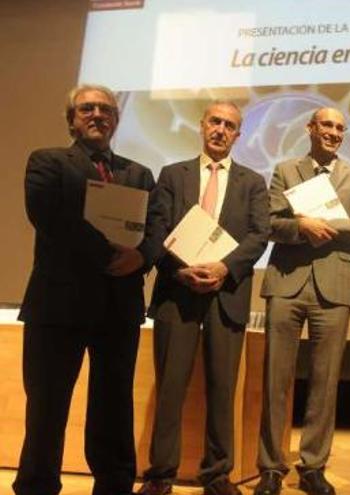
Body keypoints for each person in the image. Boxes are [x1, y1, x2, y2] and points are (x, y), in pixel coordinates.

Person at [16, 84, 158, 495]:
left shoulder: (138, 174)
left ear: (116, 118)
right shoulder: (48, 162)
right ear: (72, 120)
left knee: (113, 406)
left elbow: (157, 227)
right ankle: (37, 486)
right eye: (87, 108)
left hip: (119, 305)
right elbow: (49, 217)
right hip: (57, 305)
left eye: (106, 109)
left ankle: (114, 485)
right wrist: (111, 253)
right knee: (46, 406)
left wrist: (141, 256)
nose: (97, 114)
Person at [138, 101, 269, 495]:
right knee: (171, 386)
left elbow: (258, 235)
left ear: (238, 134)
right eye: (215, 121)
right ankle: (161, 475)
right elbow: (156, 228)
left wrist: (223, 268)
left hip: (225, 294)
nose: (221, 130)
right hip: (176, 292)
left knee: (221, 387)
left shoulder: (253, 181)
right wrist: (181, 270)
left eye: (230, 125)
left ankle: (217, 474)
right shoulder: (172, 175)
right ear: (202, 125)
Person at [255, 107, 350, 495]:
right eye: (327, 125)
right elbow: (269, 223)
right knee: (276, 380)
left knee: (325, 383)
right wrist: (299, 226)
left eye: (340, 128)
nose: (334, 132)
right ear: (310, 128)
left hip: (334, 286)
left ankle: (312, 467)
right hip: (287, 282)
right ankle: (271, 468)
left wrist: (324, 224)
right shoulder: (286, 170)